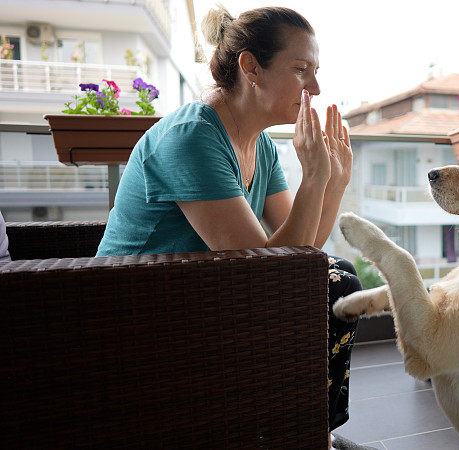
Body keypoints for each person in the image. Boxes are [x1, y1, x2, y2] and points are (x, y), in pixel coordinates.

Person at [96, 6, 367, 448]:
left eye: (315, 72)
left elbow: (304, 251)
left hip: (202, 286)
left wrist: (334, 179)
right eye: (300, 71)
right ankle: (307, 432)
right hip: (131, 304)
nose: (314, 88)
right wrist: (314, 178)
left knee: (330, 274)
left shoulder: (260, 145)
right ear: (250, 67)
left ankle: (310, 429)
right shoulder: (193, 136)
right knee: (334, 282)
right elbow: (265, 269)